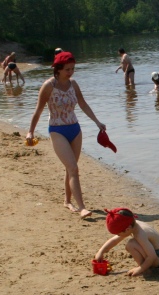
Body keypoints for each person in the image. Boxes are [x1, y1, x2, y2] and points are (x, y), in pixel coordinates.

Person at [25, 51, 106, 219]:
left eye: (73, 69)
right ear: (58, 69)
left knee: (70, 168)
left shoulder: (73, 84)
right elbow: (38, 111)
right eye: (67, 69)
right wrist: (30, 131)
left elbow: (83, 104)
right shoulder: (49, 86)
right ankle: (82, 207)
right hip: (57, 130)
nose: (70, 72)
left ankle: (67, 201)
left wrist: (97, 122)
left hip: (75, 130)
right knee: (73, 168)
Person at [95, 208, 159, 276]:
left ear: (127, 229)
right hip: (154, 252)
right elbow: (114, 240)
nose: (118, 235)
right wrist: (101, 251)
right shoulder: (133, 225)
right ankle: (146, 267)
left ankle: (146, 269)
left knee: (131, 244)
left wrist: (140, 269)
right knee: (132, 243)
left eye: (118, 233)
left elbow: (152, 256)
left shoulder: (140, 234)